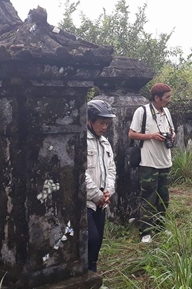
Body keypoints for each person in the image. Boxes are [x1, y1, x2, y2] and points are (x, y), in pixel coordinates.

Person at [128, 83, 175, 243]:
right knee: (148, 197)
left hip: (165, 160)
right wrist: (152, 136)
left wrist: (171, 136)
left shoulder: (167, 112)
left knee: (164, 197)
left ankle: (161, 226)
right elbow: (132, 134)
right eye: (167, 97)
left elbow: (171, 130)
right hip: (148, 162)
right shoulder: (142, 111)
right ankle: (146, 231)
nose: (169, 100)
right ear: (157, 97)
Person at [85, 99, 117, 272]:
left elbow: (111, 169)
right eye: (101, 123)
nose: (104, 127)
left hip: (101, 201)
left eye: (107, 124)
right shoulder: (81, 141)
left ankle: (92, 272)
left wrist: (107, 191)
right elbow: (81, 173)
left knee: (98, 240)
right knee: (91, 238)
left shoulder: (105, 143)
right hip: (87, 201)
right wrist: (96, 195)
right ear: (90, 121)